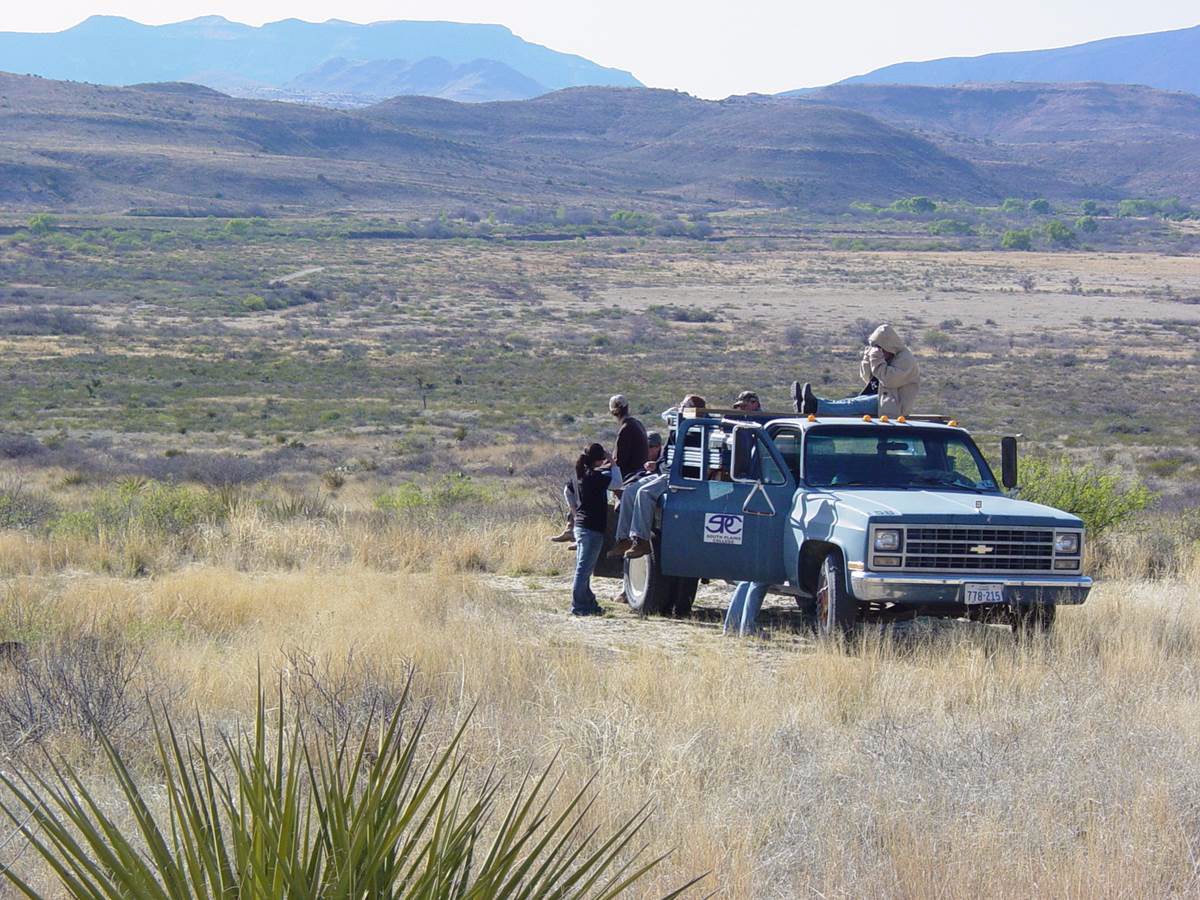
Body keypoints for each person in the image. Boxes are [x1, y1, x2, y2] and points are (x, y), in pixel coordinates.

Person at [611, 394, 706, 561]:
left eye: (684, 406)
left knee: (645, 493)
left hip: (677, 476)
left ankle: (641, 539)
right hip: (663, 472)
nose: (680, 408)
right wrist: (657, 464)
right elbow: (667, 454)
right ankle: (623, 539)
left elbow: (688, 463)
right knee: (630, 490)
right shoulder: (679, 429)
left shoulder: (698, 432)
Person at [791, 324, 919, 418]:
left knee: (853, 404)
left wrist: (876, 359)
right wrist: (867, 359)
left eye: (880, 348)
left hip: (895, 405)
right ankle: (806, 403)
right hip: (883, 398)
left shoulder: (905, 359)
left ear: (889, 346)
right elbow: (868, 379)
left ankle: (814, 405)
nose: (879, 351)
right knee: (848, 402)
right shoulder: (887, 356)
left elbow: (889, 380)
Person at [571, 443, 622, 616]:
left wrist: (573, 511)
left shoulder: (580, 474)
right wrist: (613, 463)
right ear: (599, 459)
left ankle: (588, 602)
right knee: (583, 571)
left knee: (582, 568)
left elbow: (567, 490)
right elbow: (618, 482)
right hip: (592, 529)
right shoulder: (595, 478)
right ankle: (579, 606)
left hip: (580, 526)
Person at [609, 394, 649, 484]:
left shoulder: (626, 428)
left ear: (613, 412)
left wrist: (599, 466)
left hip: (631, 475)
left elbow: (619, 461)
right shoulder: (637, 423)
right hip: (640, 471)